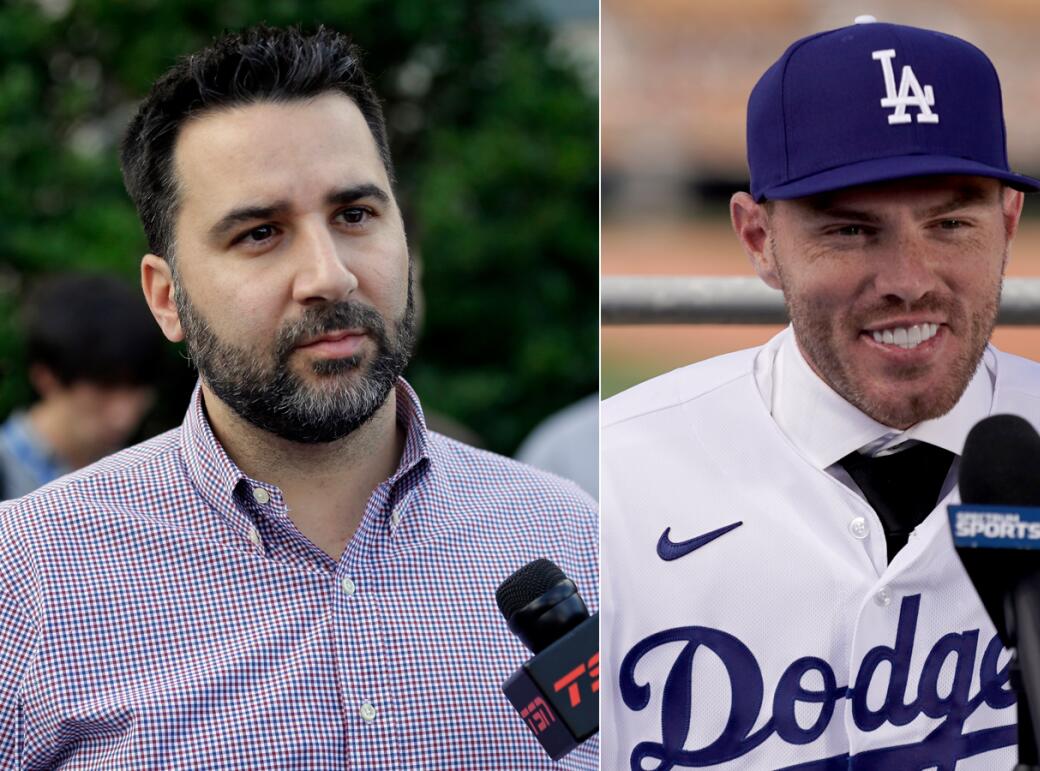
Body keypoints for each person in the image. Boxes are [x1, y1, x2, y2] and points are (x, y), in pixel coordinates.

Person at [601, 17, 1040, 770]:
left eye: (950, 223)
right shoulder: (613, 485)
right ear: (758, 238)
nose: (910, 279)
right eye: (851, 231)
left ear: (1008, 224)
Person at [0, 26, 597, 769]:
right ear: (166, 297)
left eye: (354, 215)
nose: (330, 275)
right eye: (259, 233)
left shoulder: (575, 538)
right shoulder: (26, 579)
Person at [0, 273, 158, 499]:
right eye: (103, 390)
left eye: (137, 389)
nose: (124, 414)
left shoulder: (144, 479)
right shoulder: (7, 475)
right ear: (46, 378)